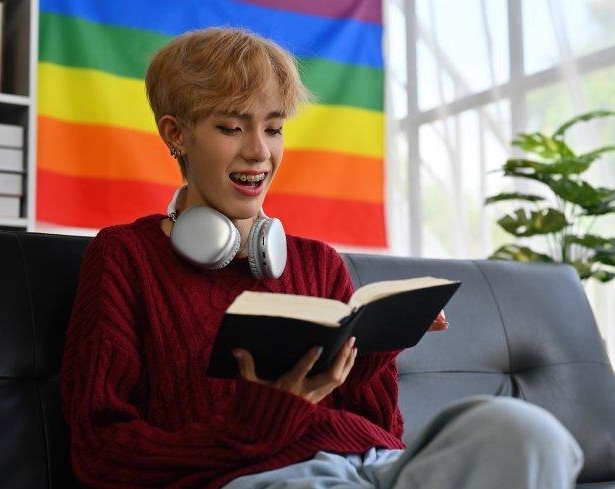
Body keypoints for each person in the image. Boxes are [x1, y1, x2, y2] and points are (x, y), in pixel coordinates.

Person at [60, 27, 584, 489]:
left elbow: (382, 430)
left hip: (372, 465)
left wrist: (375, 349)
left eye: (273, 127)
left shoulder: (317, 264)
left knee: (525, 432)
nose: (259, 152)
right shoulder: (125, 257)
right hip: (257, 478)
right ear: (176, 133)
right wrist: (262, 418)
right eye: (231, 127)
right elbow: (102, 455)